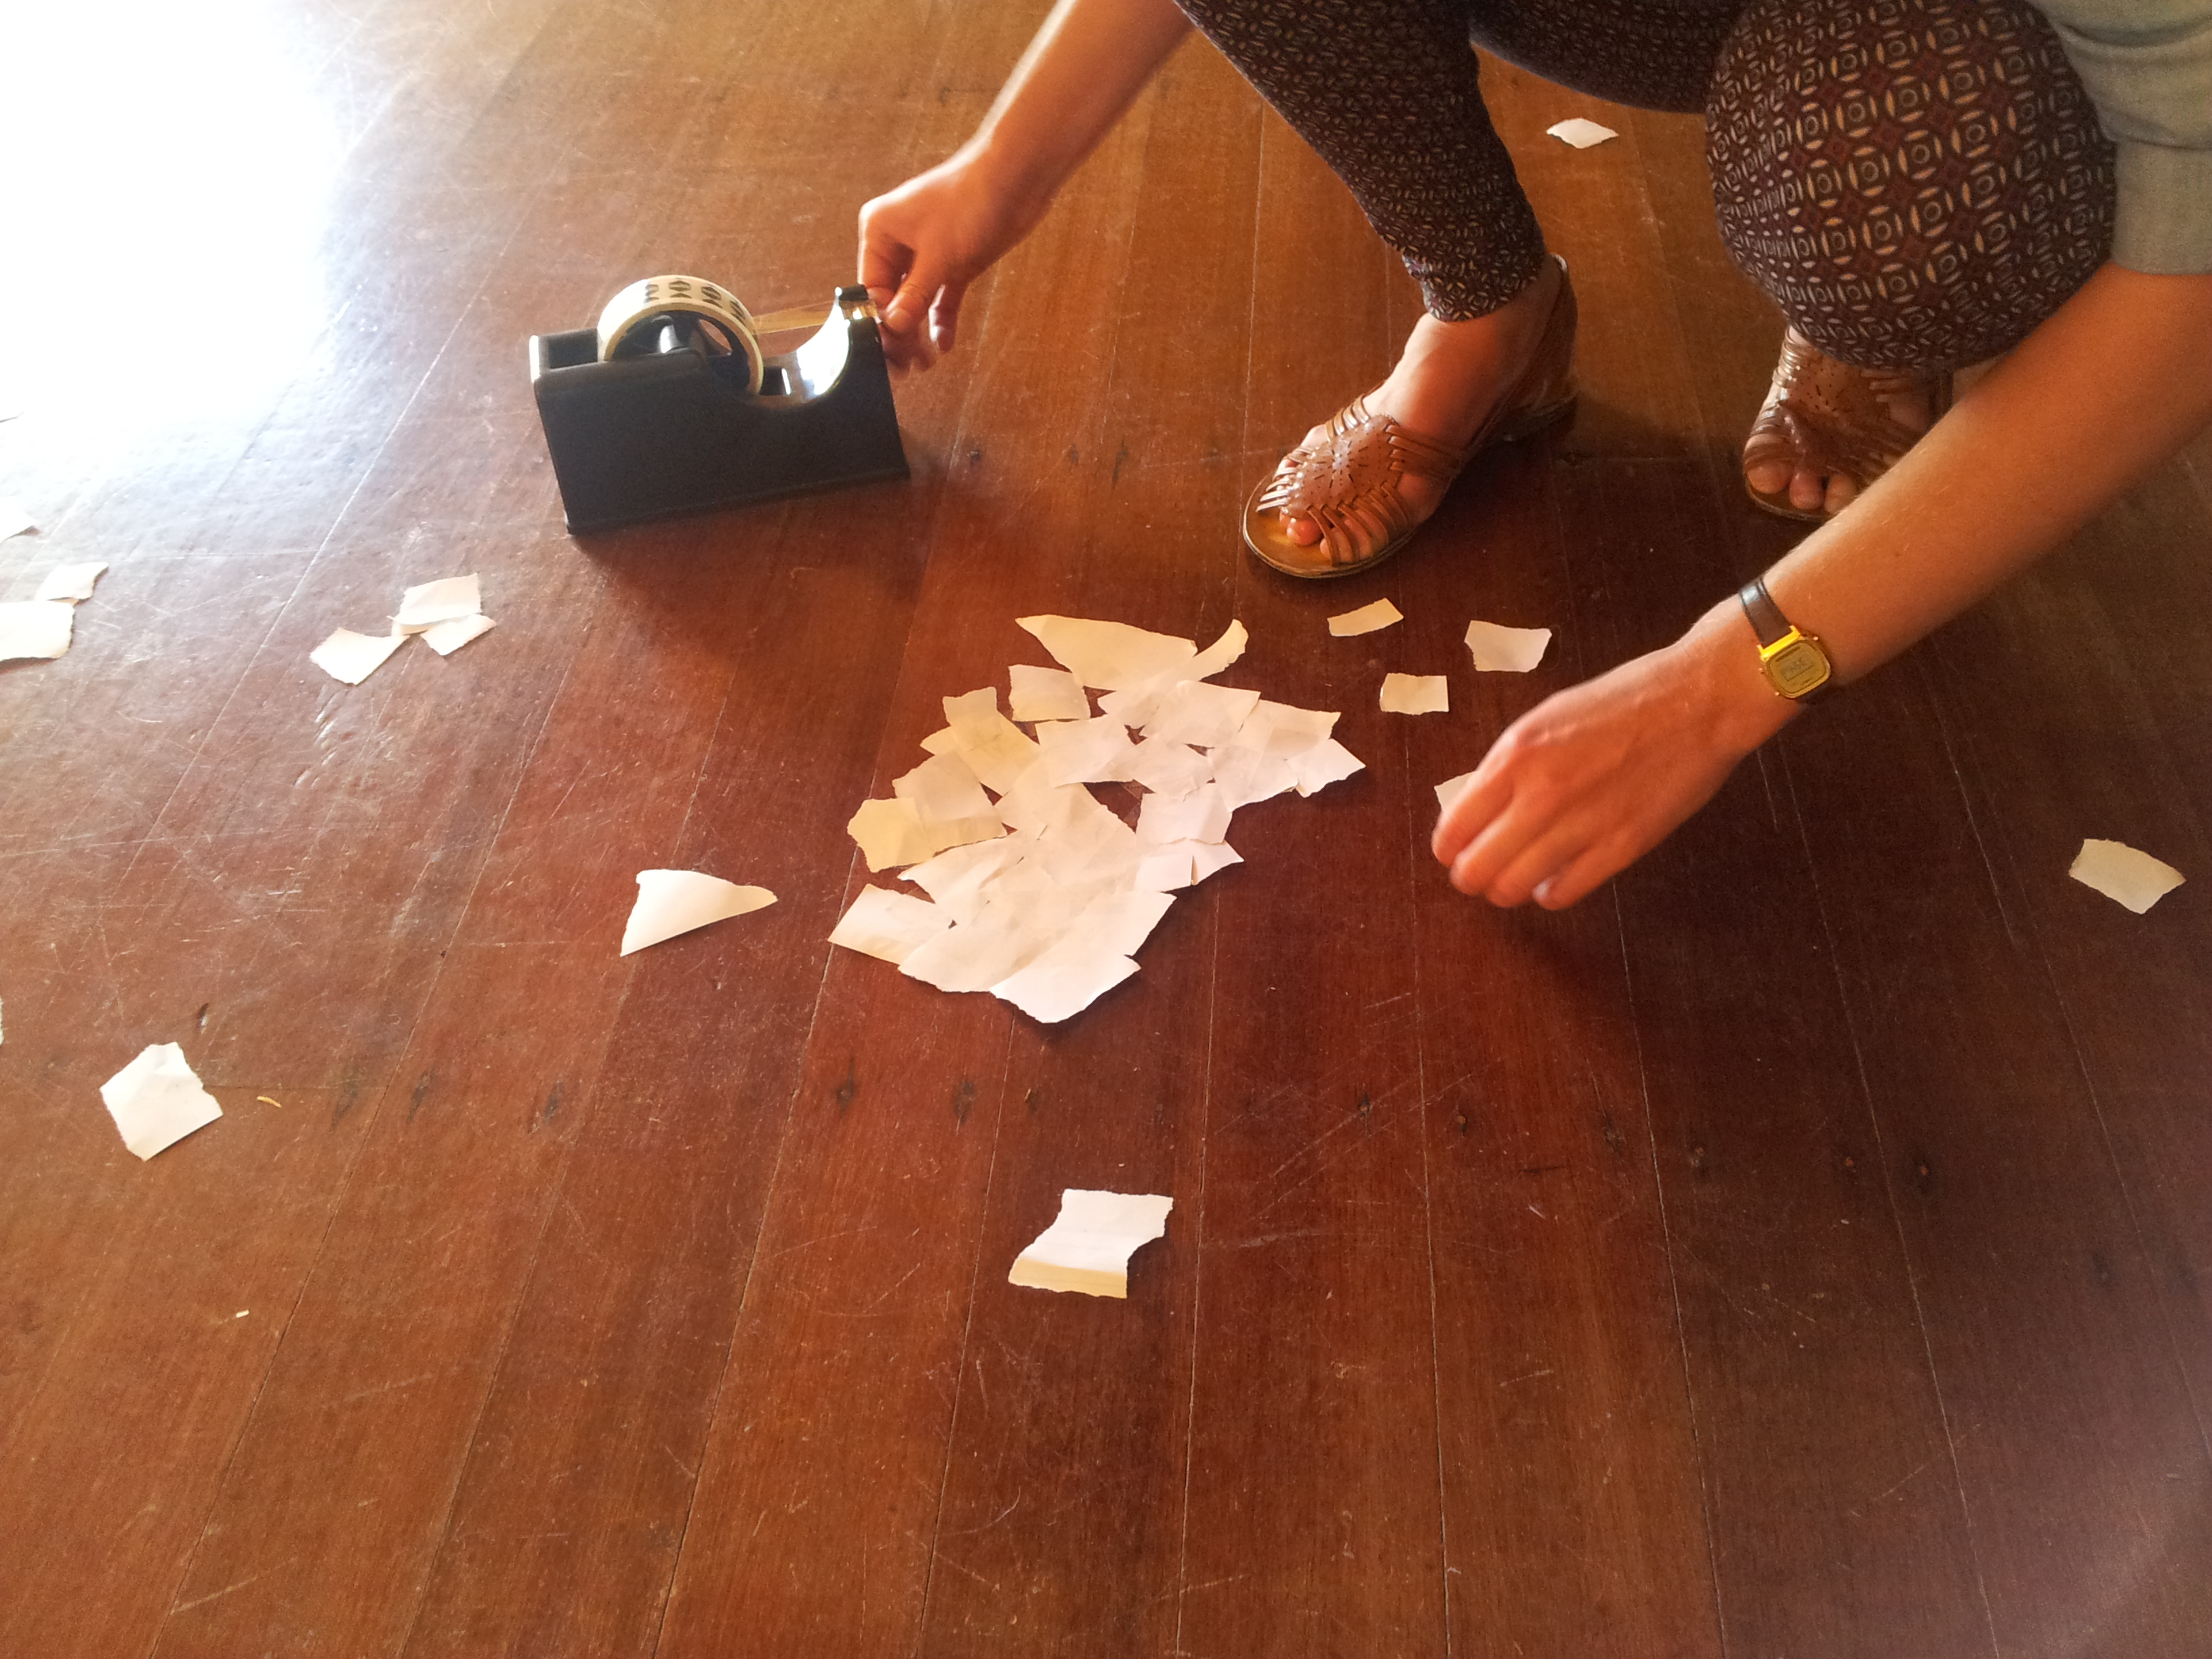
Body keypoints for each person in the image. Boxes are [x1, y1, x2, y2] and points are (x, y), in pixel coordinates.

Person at [857, 0, 2212, 909]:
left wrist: (1736, 674)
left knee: (1888, 193)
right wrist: (1001, 170)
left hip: (1949, 57)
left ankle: (1872, 313)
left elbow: (2194, 272)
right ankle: (1490, 309)